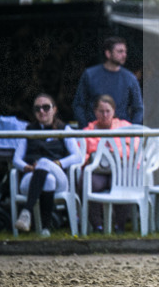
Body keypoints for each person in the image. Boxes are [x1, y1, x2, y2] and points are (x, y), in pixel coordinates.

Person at [12, 93, 82, 235]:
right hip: (31, 177)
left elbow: (78, 157)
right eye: (37, 108)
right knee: (47, 179)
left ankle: (27, 211)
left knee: (44, 162)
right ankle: (45, 228)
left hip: (59, 180)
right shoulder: (28, 130)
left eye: (46, 107)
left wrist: (57, 163)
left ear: (54, 109)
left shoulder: (64, 129)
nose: (41, 111)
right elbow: (16, 159)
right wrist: (27, 167)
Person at [81, 94, 134, 232]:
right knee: (87, 182)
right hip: (97, 171)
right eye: (101, 111)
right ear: (95, 112)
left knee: (124, 183)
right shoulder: (87, 132)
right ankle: (97, 225)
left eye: (108, 111)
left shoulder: (126, 128)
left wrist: (114, 152)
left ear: (114, 111)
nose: (104, 115)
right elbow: (82, 154)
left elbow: (134, 150)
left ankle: (119, 226)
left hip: (119, 170)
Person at [73, 36, 144, 126]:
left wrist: (131, 131)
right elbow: (79, 105)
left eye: (125, 51)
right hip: (94, 133)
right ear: (108, 53)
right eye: (120, 51)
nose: (124, 55)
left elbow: (138, 109)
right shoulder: (90, 75)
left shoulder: (130, 78)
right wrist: (86, 129)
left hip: (121, 133)